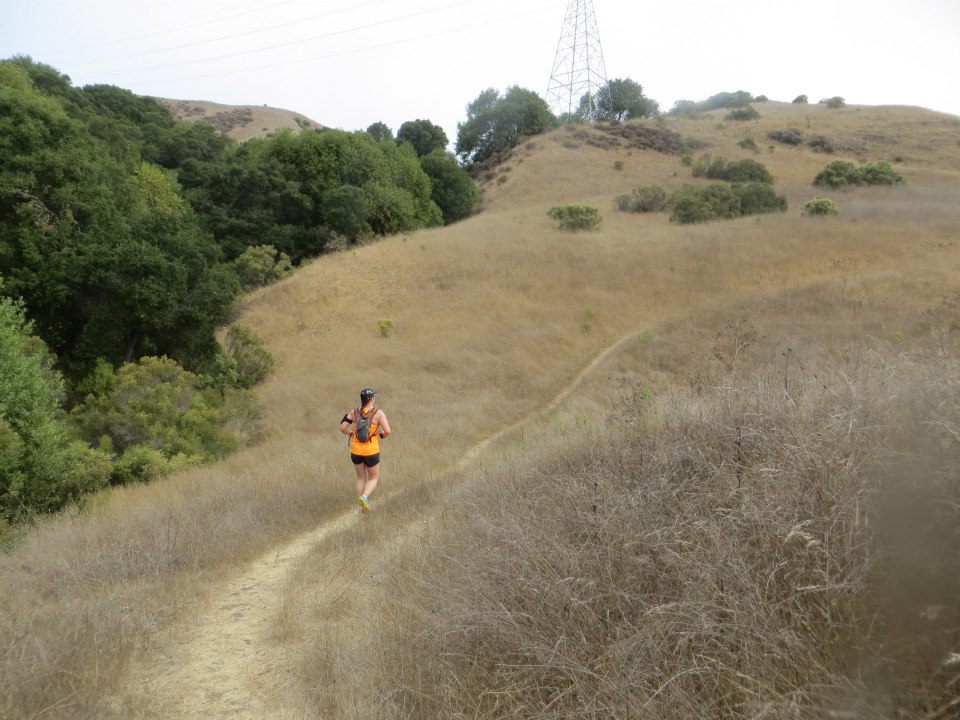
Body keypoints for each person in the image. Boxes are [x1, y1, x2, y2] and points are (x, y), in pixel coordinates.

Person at [339, 388, 390, 513]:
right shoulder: (378, 413)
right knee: (373, 478)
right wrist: (381, 435)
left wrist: (351, 434)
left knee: (361, 478)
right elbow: (387, 431)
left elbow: (342, 427)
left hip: (356, 451)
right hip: (371, 451)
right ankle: (364, 497)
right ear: (371, 399)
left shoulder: (354, 412)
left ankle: (362, 509)